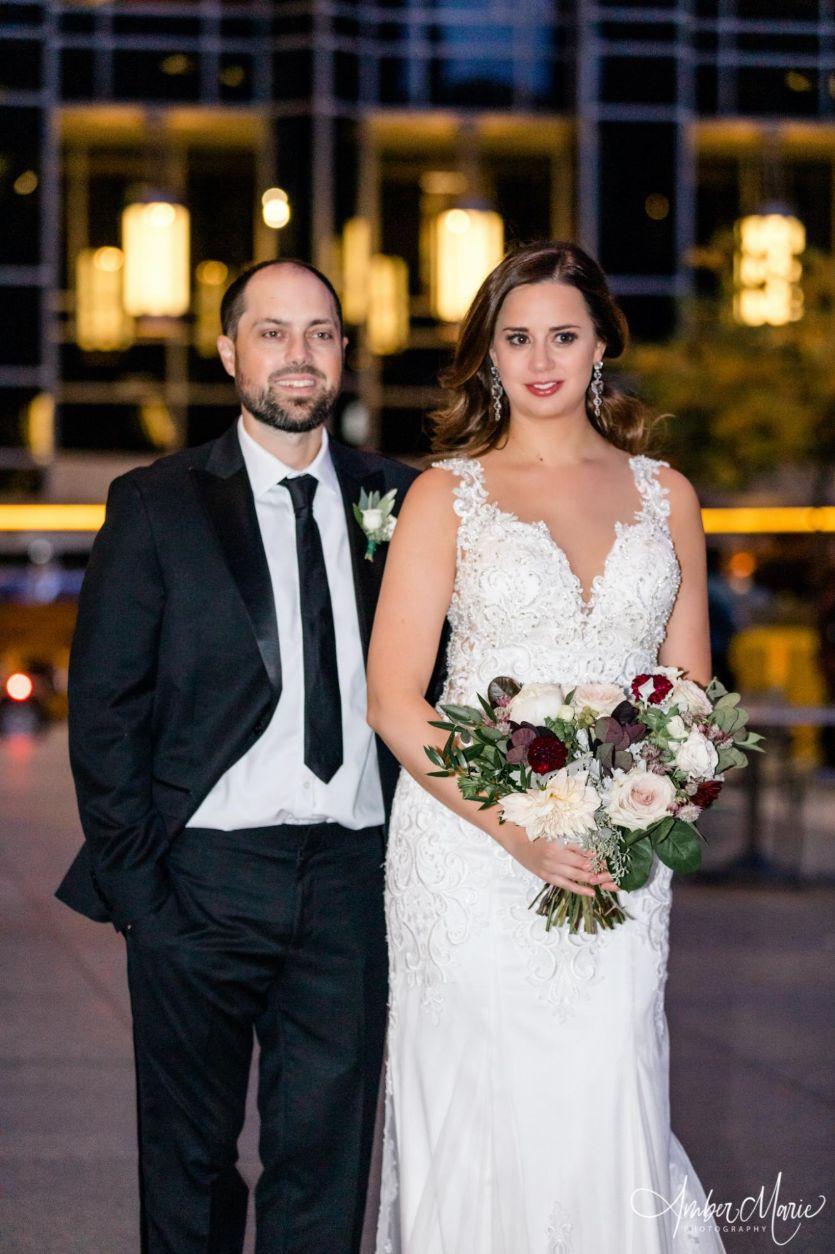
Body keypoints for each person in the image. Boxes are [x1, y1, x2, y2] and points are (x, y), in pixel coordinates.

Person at [56, 259, 422, 1254]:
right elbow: (106, 709)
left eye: (319, 333)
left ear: (343, 352)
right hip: (201, 878)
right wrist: (142, 892)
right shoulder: (157, 503)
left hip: (353, 879)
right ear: (228, 352)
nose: (298, 354)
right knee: (188, 1163)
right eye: (272, 332)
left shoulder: (404, 499)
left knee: (326, 1161)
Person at [367, 242, 725, 1252]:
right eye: (515, 337)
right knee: (479, 1099)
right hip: (468, 852)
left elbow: (689, 699)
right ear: (487, 354)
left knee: (607, 1077)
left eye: (562, 335)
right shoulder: (445, 496)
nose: (538, 359)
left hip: (619, 850)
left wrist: (641, 808)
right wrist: (516, 831)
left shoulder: (667, 495)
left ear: (601, 343)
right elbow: (392, 699)